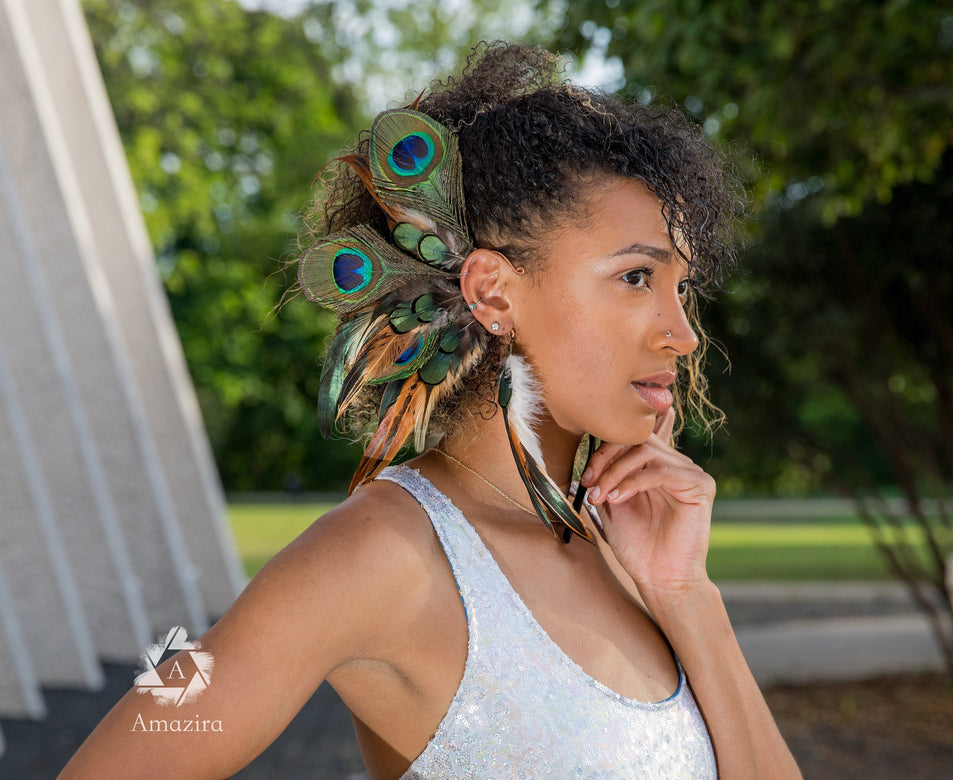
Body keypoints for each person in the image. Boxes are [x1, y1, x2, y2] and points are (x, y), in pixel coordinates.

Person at [61, 42, 800, 779]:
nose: (683, 332)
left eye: (682, 289)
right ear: (493, 293)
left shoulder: (626, 545)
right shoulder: (385, 554)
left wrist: (686, 593)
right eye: (637, 276)